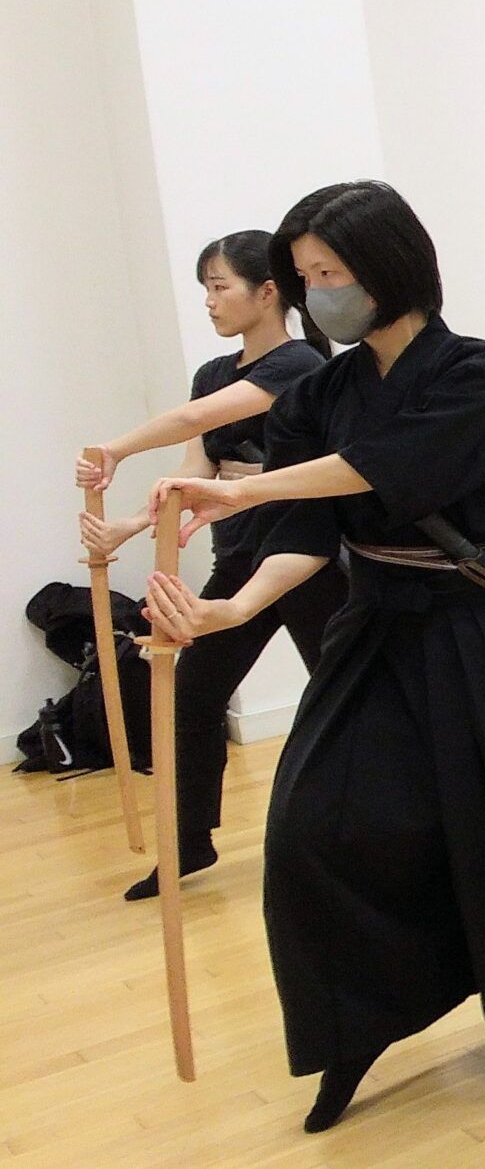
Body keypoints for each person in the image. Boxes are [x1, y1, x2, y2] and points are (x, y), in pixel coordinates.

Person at [145, 181, 485, 1131]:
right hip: (375, 627)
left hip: (480, 630)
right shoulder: (322, 393)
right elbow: (309, 529)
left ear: (391, 266)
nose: (319, 292)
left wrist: (242, 491)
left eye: (332, 271)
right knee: (311, 830)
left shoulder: (478, 372)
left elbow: (387, 470)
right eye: (307, 276)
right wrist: (231, 606)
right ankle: (354, 1028)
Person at [74, 231, 347, 899]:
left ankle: (369, 839)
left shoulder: (301, 364)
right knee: (193, 696)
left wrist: (116, 449)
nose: (209, 301)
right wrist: (127, 527)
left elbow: (194, 420)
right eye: (205, 288)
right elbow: (195, 472)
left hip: (308, 557)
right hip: (241, 555)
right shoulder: (214, 371)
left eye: (220, 287)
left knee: (345, 700)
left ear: (268, 291)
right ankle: (188, 843)